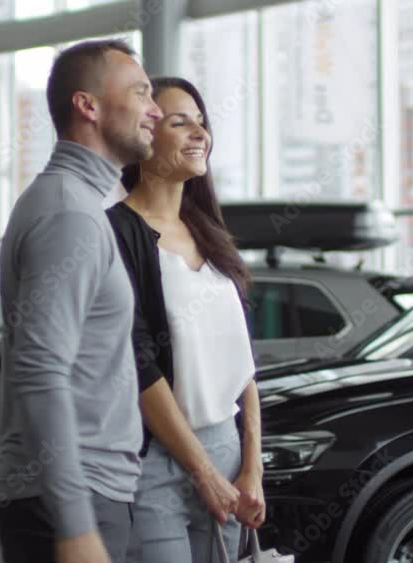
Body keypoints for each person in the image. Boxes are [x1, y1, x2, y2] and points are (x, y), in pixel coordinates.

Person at [0, 39, 162, 563]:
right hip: (71, 499)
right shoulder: (70, 213)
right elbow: (39, 369)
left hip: (87, 492)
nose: (156, 111)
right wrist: (75, 524)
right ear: (87, 106)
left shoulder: (77, 203)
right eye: (141, 93)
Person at [105, 77, 265, 563]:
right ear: (145, 134)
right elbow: (138, 363)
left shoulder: (209, 232)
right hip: (156, 460)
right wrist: (202, 471)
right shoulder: (117, 232)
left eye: (201, 122)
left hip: (227, 452)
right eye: (180, 123)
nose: (200, 133)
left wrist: (253, 466)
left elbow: (242, 365)